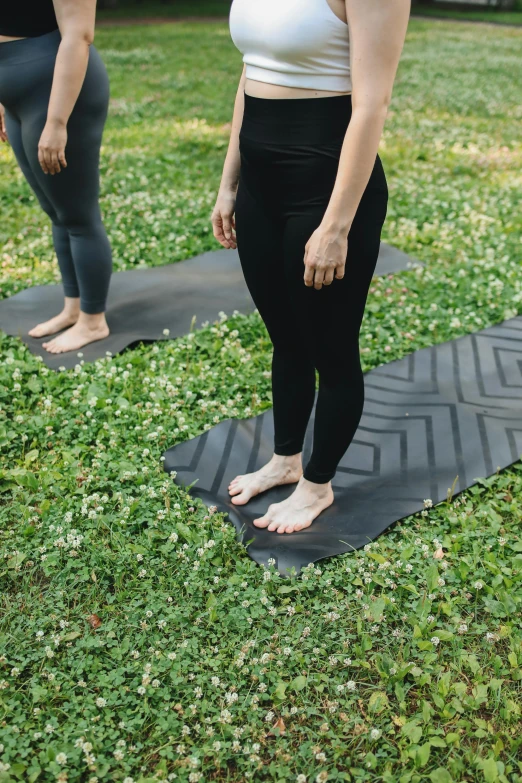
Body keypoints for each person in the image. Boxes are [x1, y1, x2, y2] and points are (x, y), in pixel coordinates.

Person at [211, 0, 410, 534]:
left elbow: (373, 103)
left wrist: (337, 225)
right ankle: (285, 459)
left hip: (325, 188)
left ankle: (316, 486)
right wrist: (229, 183)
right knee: (286, 338)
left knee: (331, 346)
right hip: (259, 182)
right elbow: (250, 71)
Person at [0, 0, 112, 354]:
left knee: (78, 216)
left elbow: (79, 34)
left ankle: (93, 322)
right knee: (56, 212)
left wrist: (57, 121)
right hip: (16, 97)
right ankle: (73, 308)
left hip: (56, 93)